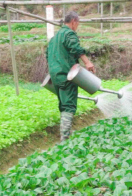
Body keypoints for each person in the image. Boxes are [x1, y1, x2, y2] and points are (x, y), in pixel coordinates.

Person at [46, 11, 96, 142]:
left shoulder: (54, 39)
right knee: (69, 105)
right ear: (74, 21)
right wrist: (87, 62)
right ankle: (65, 137)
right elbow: (75, 48)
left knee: (63, 104)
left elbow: (48, 55)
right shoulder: (69, 33)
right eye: (78, 23)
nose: (77, 26)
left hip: (55, 75)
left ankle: (66, 131)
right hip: (67, 75)